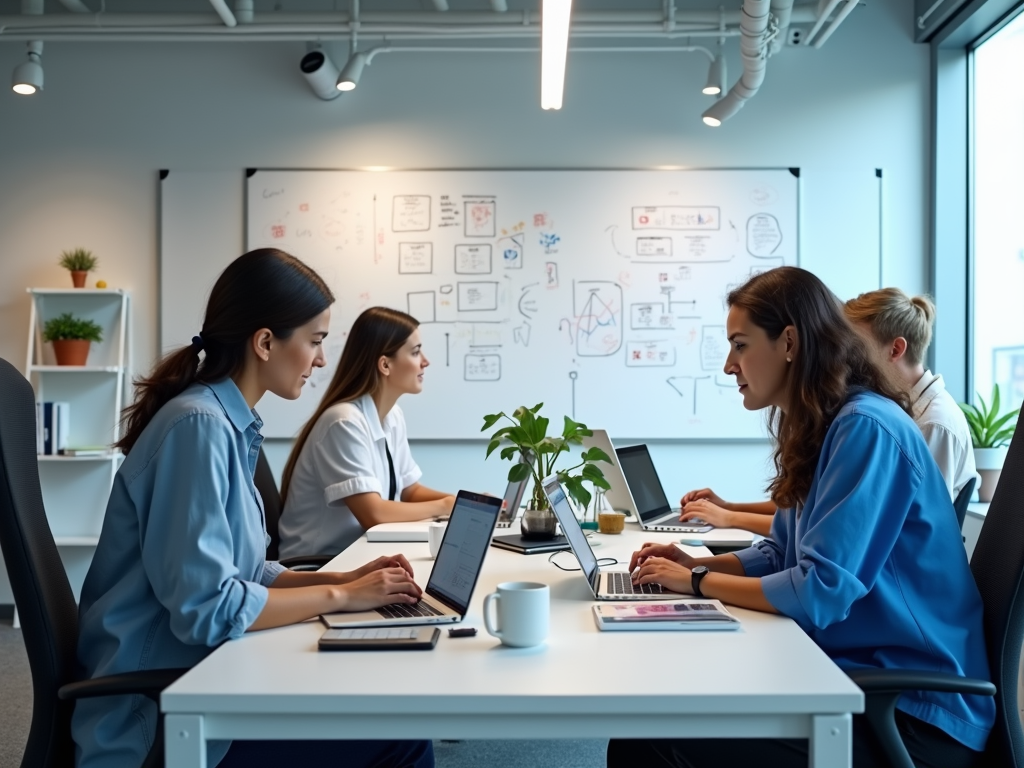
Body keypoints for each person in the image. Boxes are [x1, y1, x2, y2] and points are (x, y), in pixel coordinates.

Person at [611, 267, 993, 768]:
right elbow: (780, 552)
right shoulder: (826, 424)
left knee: (652, 736)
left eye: (741, 345)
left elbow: (819, 591)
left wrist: (699, 581)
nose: (729, 365)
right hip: (850, 675)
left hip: (913, 712)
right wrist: (691, 563)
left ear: (789, 341)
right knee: (655, 717)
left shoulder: (866, 428)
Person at [72, 250, 432, 768]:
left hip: (205, 679)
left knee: (381, 712)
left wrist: (354, 581)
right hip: (160, 719)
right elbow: (208, 610)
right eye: (315, 341)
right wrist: (340, 594)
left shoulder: (227, 424)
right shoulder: (198, 427)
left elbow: (247, 572)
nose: (322, 361)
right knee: (401, 739)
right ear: (265, 342)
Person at [679, 287, 979, 535]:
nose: (841, 355)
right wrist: (729, 508)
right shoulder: (874, 412)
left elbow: (862, 529)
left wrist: (728, 522)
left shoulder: (924, 423)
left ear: (896, 350)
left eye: (854, 346)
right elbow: (812, 510)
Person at [279, 306, 454, 559]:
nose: (425, 361)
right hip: (319, 564)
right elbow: (373, 514)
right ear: (385, 364)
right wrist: (447, 506)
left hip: (361, 553)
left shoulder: (392, 416)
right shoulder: (343, 422)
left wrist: (463, 502)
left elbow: (409, 490)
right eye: (416, 352)